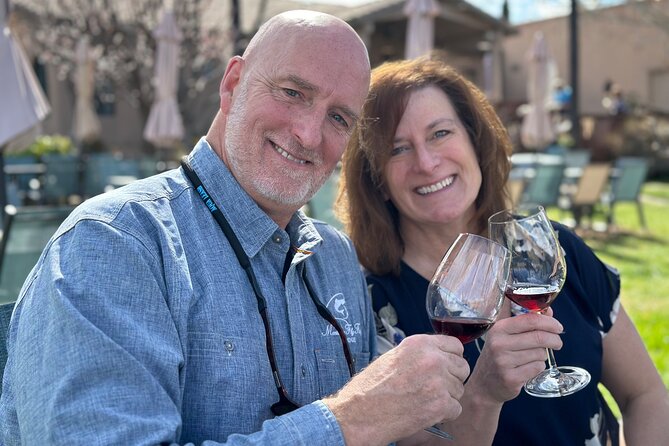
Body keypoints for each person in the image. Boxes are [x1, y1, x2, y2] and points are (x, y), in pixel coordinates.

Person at [0, 12, 471, 445]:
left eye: (338, 117)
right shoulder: (115, 244)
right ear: (232, 84)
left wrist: (480, 391)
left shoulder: (335, 257)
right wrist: (353, 419)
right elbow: (365, 417)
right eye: (292, 92)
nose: (309, 134)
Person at [336, 54, 669, 445]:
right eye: (398, 149)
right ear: (375, 179)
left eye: (440, 133)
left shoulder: (554, 251)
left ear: (475, 142)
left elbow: (645, 395)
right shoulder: (371, 307)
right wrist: (484, 392)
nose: (426, 162)